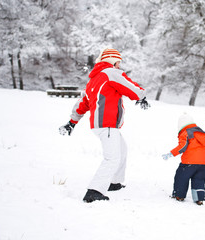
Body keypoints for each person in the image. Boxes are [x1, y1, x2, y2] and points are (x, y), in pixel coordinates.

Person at [59, 48, 150, 203]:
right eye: (118, 62)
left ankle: (114, 182)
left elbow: (82, 103)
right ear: (111, 61)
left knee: (122, 149)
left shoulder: (93, 80)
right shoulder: (111, 73)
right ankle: (94, 191)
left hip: (101, 125)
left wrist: (72, 122)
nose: (119, 66)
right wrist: (140, 95)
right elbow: (128, 85)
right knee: (112, 158)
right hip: (107, 124)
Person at [162, 113, 205, 205]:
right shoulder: (201, 132)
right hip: (202, 164)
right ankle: (199, 198)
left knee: (181, 177)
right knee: (199, 180)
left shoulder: (186, 132)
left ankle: (179, 195)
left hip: (189, 163)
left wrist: (171, 154)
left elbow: (182, 147)